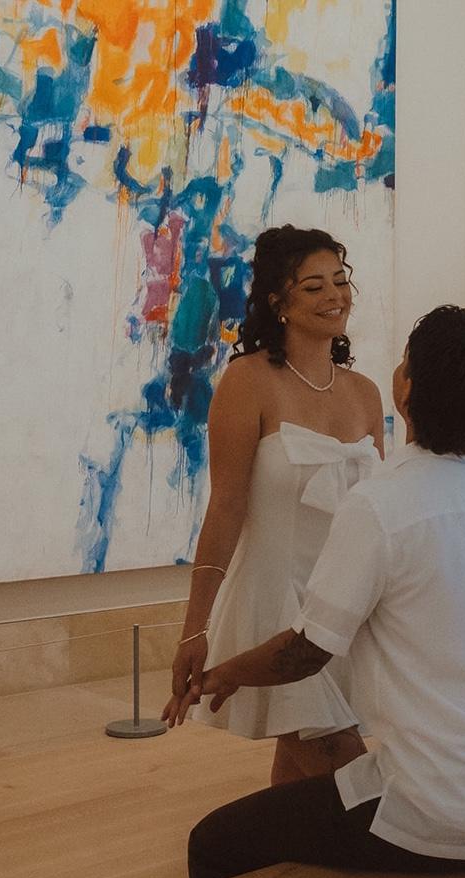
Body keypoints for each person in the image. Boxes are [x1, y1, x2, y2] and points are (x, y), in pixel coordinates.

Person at [170, 305, 465, 878]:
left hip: (438, 811)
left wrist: (225, 673)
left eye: (405, 360)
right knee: (301, 802)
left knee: (213, 842)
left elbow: (307, 653)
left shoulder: (381, 504)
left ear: (407, 390)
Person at [160, 225, 385, 786]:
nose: (334, 295)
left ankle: (280, 839)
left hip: (344, 607)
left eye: (340, 280)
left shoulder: (365, 392)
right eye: (313, 286)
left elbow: (380, 513)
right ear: (278, 302)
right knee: (349, 775)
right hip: (275, 604)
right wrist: (194, 628)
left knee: (302, 776)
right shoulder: (247, 382)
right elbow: (226, 507)